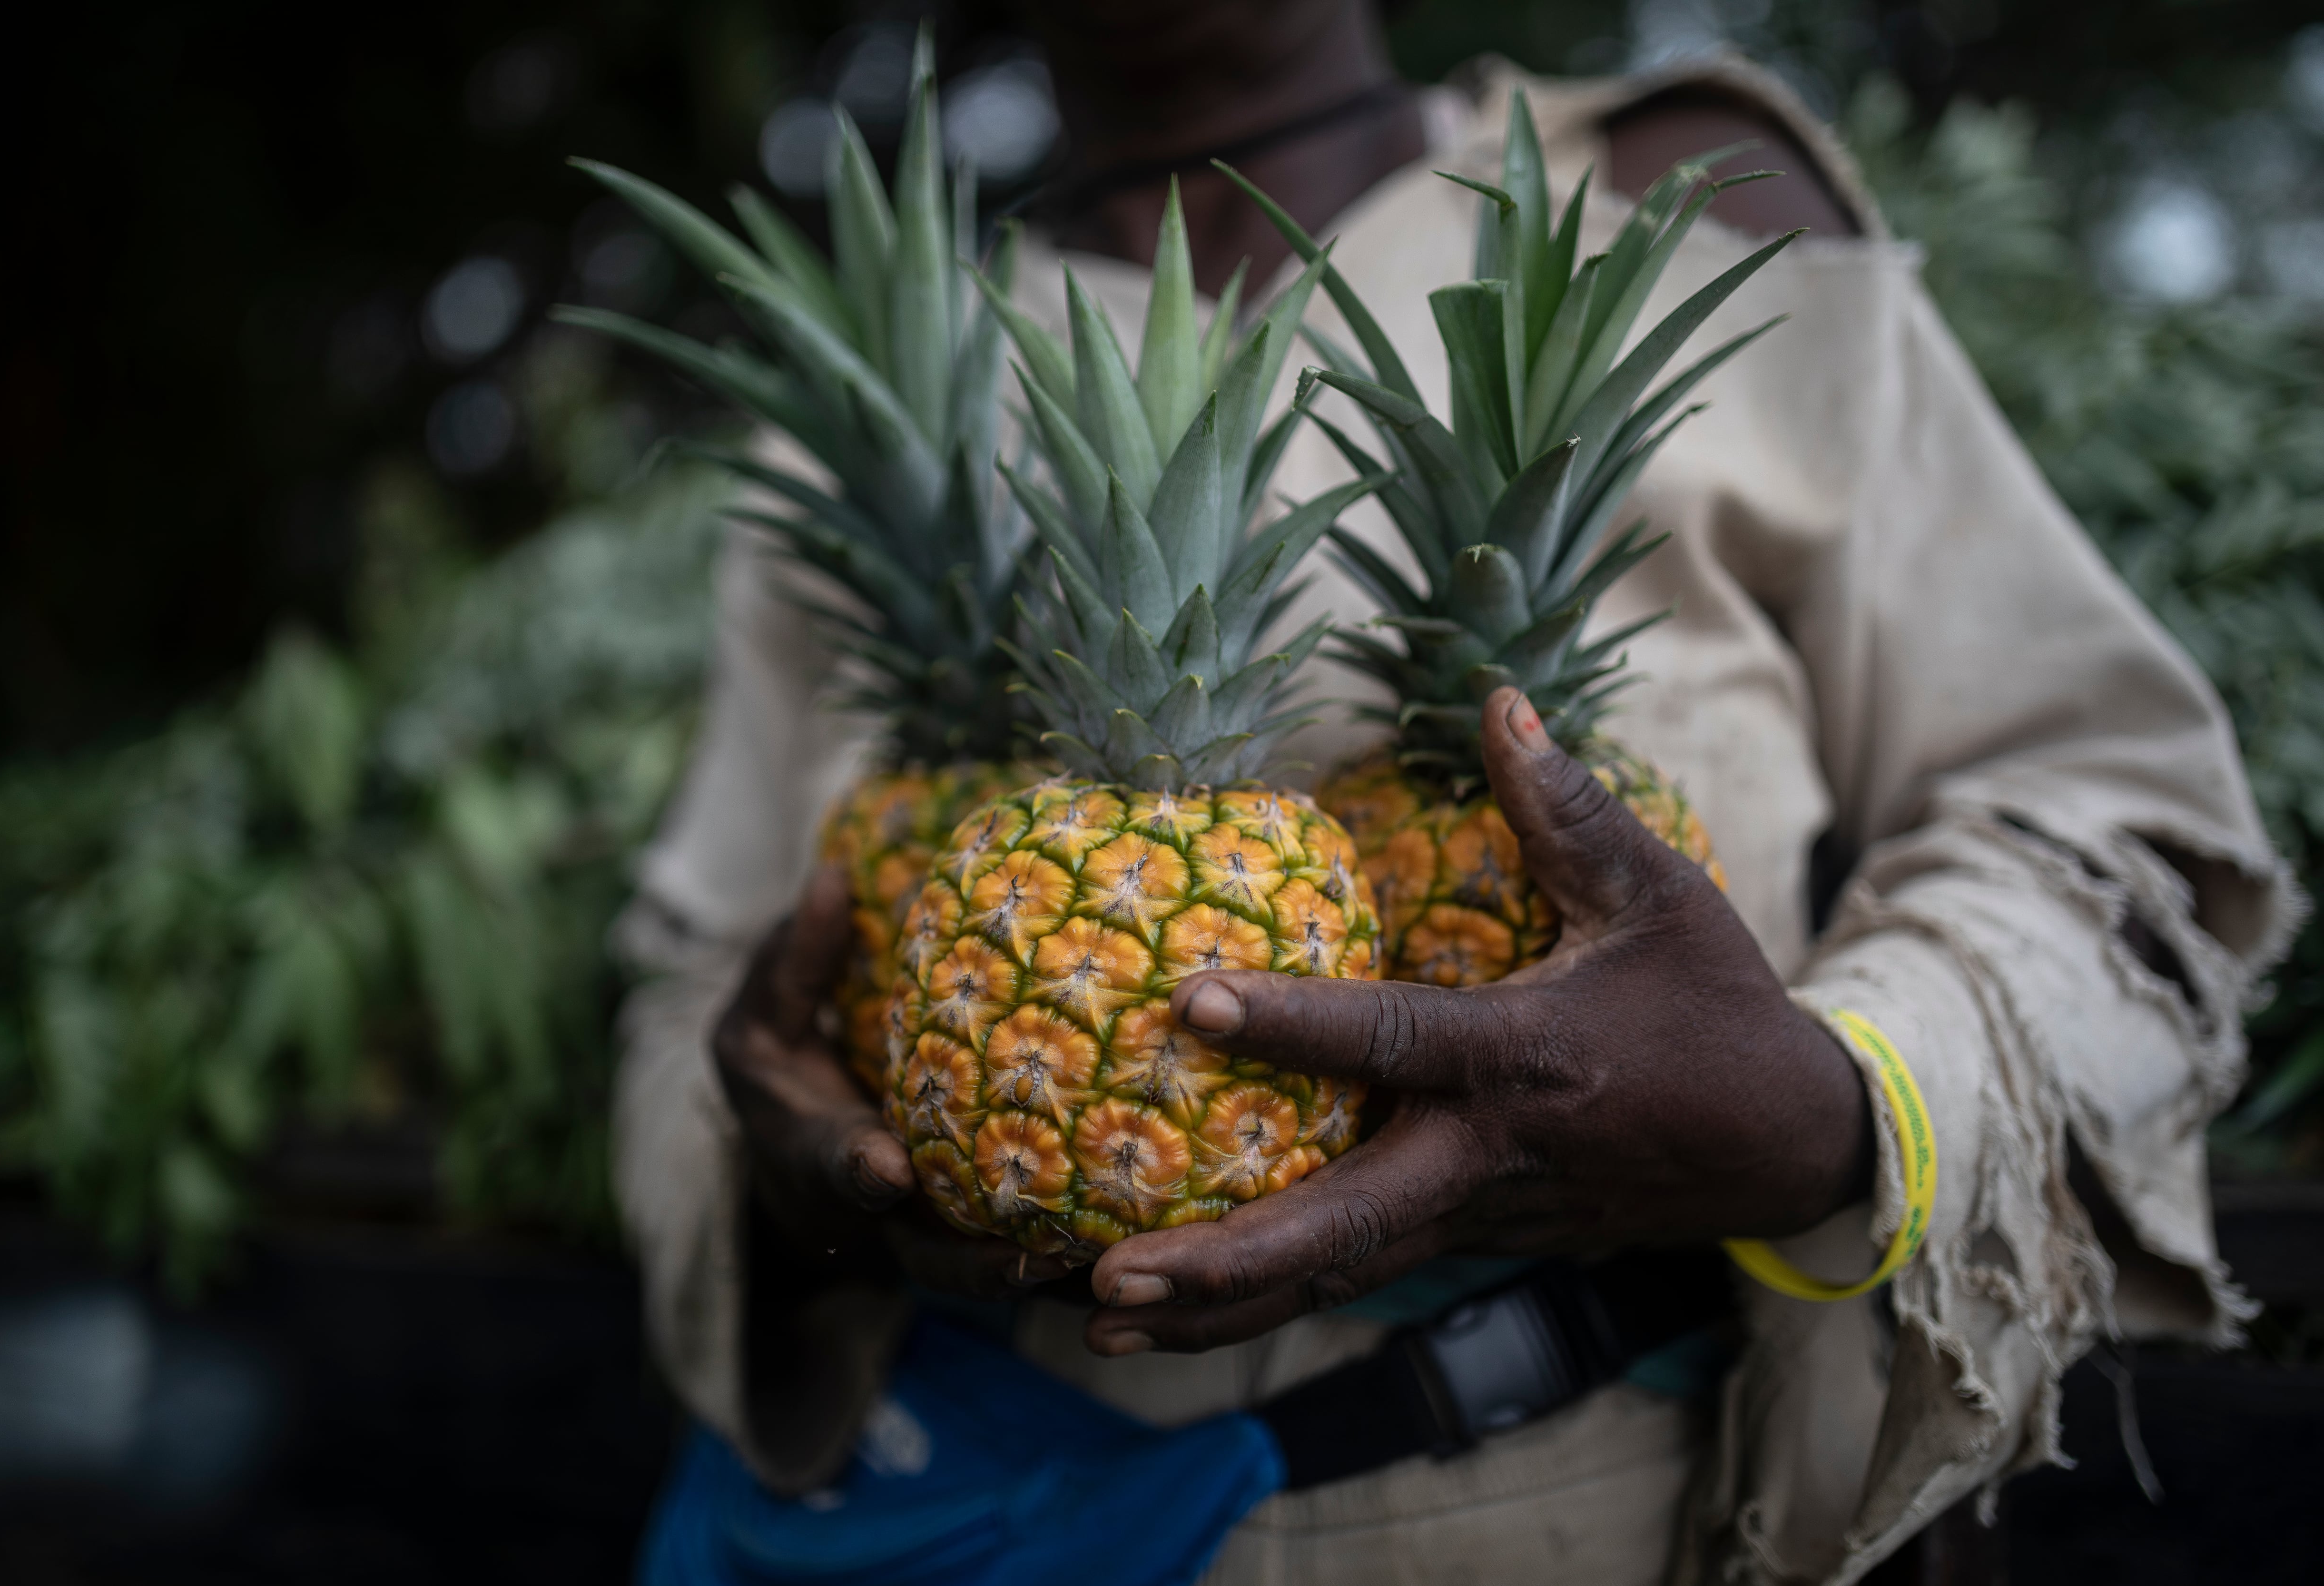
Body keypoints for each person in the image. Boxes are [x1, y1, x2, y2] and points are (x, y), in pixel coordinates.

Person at [609, 3, 2297, 1580]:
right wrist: (774, 1152)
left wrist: (1836, 1103)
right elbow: (690, 974)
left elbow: (2114, 802)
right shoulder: (874, 383)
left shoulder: (1675, 199)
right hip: (985, 1489)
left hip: (1597, 1505)